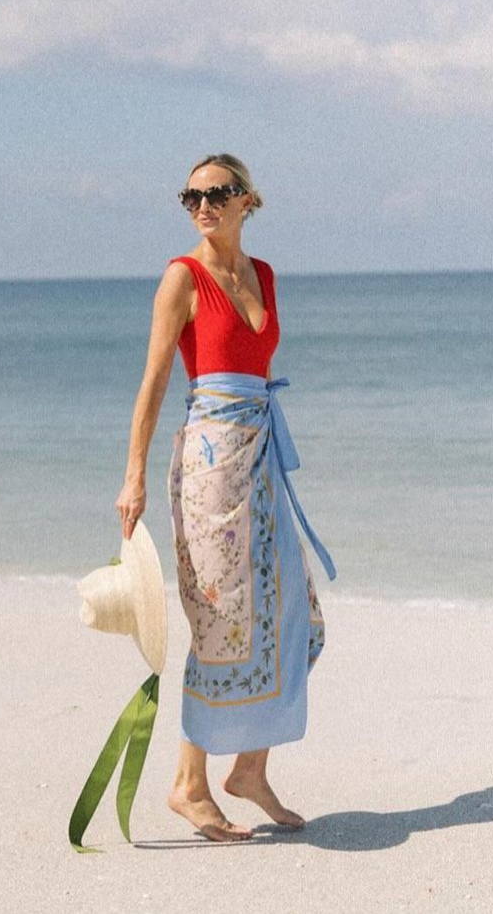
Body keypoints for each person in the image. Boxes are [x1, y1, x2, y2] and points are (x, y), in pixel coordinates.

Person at [116, 152, 334, 842]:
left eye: (217, 194)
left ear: (247, 200)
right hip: (209, 463)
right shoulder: (181, 278)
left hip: (261, 453)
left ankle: (249, 770)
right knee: (219, 625)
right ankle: (188, 783)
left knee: (296, 615)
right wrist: (133, 477)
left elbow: (258, 364)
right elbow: (153, 383)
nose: (203, 206)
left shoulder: (263, 274)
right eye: (191, 196)